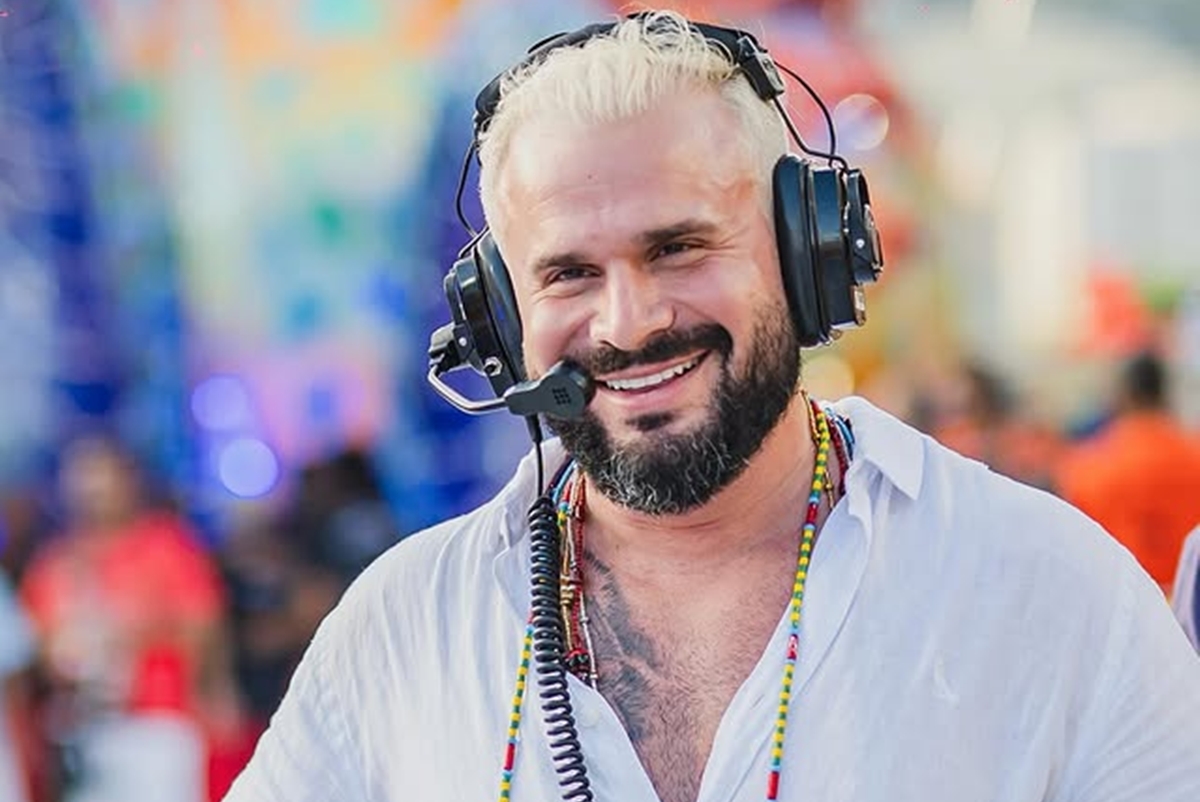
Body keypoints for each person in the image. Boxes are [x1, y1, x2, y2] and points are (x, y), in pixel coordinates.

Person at [225, 11, 1200, 802]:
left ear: (808, 253)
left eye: (679, 247)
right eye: (568, 272)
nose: (629, 320)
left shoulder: (1049, 590)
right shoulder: (403, 630)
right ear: (499, 319)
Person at [1055, 350, 1200, 594]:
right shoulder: (1193, 454)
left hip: (1122, 601)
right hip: (1189, 600)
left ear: (1123, 395)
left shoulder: (1088, 467)